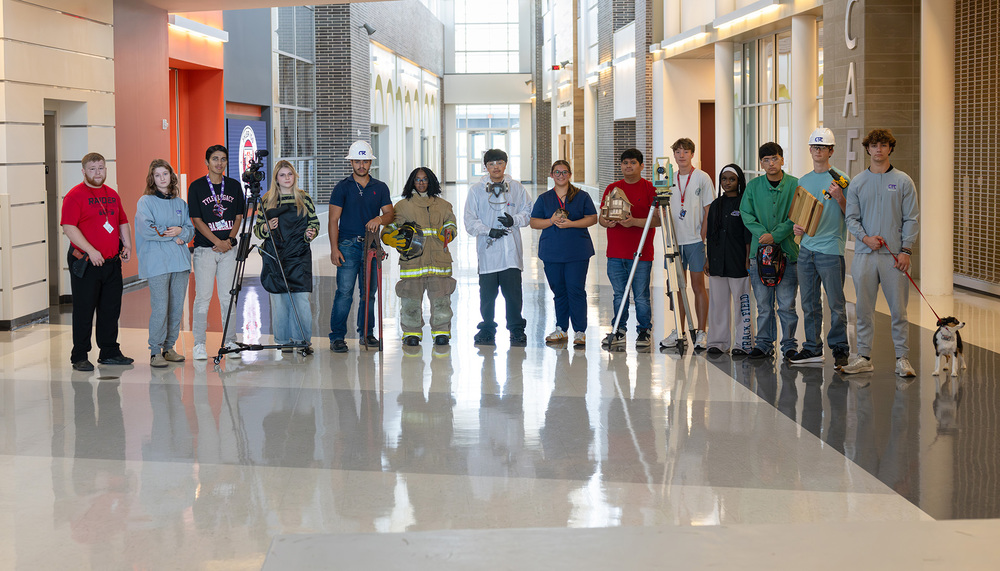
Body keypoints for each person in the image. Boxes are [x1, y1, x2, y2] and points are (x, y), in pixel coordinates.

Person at [840, 128, 920, 377]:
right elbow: (851, 218)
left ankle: (902, 358)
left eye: (883, 145)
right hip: (865, 255)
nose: (878, 150)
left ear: (890, 149)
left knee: (899, 311)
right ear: (867, 149)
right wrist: (865, 238)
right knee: (863, 309)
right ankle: (863, 356)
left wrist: (906, 250)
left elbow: (912, 218)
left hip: (894, 257)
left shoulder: (904, 181)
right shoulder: (858, 182)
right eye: (874, 145)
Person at [60, 152, 135, 371]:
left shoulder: (112, 194)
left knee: (110, 309)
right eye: (92, 169)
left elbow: (122, 221)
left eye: (101, 168)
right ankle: (80, 355)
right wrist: (91, 250)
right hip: (85, 262)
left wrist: (127, 245)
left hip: (111, 263)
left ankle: (109, 351)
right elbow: (68, 227)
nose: (97, 173)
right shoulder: (74, 195)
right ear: (83, 171)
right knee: (84, 309)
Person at [789, 128, 851, 367]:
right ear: (810, 150)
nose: (818, 151)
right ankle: (813, 348)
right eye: (815, 147)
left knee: (836, 303)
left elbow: (853, 215)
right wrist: (798, 228)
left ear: (831, 151)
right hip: (806, 250)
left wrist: (840, 198)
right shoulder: (803, 181)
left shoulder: (841, 180)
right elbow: (802, 216)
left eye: (823, 147)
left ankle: (840, 349)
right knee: (809, 303)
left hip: (830, 250)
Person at [328, 140, 394, 352]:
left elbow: (390, 214)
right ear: (351, 162)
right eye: (357, 160)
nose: (361, 165)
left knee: (369, 293)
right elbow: (332, 220)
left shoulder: (380, 187)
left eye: (365, 161)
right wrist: (334, 249)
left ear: (370, 162)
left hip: (372, 247)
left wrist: (379, 220)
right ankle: (337, 337)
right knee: (344, 292)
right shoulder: (342, 187)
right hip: (347, 246)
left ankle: (367, 333)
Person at [463, 148, 532, 346]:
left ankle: (516, 330)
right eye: (492, 164)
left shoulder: (516, 187)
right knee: (487, 295)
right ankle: (487, 329)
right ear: (486, 167)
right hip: (488, 251)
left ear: (505, 164)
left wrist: (515, 219)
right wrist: (487, 230)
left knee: (513, 295)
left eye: (500, 163)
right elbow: (469, 219)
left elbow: (528, 211)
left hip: (511, 252)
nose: (496, 167)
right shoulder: (476, 190)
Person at [381, 167, 457, 346]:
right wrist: (389, 237)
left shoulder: (444, 205)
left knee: (441, 300)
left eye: (424, 179)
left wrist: (449, 232)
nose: (421, 183)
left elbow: (451, 224)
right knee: (410, 300)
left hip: (439, 261)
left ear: (430, 181)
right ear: (412, 182)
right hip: (412, 262)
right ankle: (411, 333)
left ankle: (441, 332)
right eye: (417, 179)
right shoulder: (402, 206)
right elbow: (389, 227)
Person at [739, 142, 799, 359]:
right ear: (761, 163)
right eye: (766, 160)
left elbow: (797, 215)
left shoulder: (795, 185)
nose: (771, 163)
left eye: (774, 158)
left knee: (787, 304)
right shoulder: (754, 187)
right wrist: (763, 234)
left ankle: (789, 345)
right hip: (759, 254)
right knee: (764, 305)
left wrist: (776, 235)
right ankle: (764, 344)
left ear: (782, 160)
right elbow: (746, 213)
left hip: (788, 254)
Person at [530, 160, 598, 348]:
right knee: (559, 292)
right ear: (552, 175)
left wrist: (571, 224)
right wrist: (551, 220)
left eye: (564, 172)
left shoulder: (582, 196)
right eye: (557, 172)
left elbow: (593, 218)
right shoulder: (544, 199)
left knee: (575, 290)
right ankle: (561, 328)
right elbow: (534, 222)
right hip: (552, 252)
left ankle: (580, 332)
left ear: (570, 174)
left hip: (577, 252)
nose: (561, 175)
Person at [254, 160, 320, 352]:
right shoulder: (266, 200)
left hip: (299, 256)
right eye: (282, 175)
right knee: (280, 302)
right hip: (276, 257)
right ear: (276, 178)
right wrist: (266, 227)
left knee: (301, 300)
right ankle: (284, 341)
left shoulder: (304, 198)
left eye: (289, 174)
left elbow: (314, 223)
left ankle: (301, 341)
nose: (287, 178)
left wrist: (311, 232)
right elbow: (258, 231)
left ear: (295, 176)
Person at [135, 159, 195, 368]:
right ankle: (155, 351)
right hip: (157, 262)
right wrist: (173, 233)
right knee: (160, 307)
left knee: (176, 307)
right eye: (157, 175)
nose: (162, 178)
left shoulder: (180, 204)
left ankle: (169, 348)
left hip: (180, 262)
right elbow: (147, 229)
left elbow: (189, 230)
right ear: (152, 179)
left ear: (171, 176)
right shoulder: (145, 202)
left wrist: (182, 231)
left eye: (165, 174)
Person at [188, 145, 246, 360]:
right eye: (214, 159)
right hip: (205, 249)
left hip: (229, 250)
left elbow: (239, 216)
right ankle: (199, 344)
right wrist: (217, 241)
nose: (219, 163)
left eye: (222, 159)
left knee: (228, 297)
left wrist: (229, 240)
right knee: (202, 298)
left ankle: (230, 340)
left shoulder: (233, 185)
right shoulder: (196, 187)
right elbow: (197, 219)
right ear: (207, 162)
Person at [599, 148, 658, 349]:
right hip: (615, 252)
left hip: (641, 253)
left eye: (633, 163)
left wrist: (633, 221)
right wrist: (607, 222)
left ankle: (644, 330)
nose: (628, 166)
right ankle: (619, 329)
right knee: (619, 294)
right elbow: (601, 217)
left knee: (641, 295)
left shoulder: (650, 188)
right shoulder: (612, 188)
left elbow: (658, 219)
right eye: (625, 163)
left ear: (641, 166)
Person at [659, 138, 714, 350]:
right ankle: (678, 330)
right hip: (674, 242)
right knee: (677, 288)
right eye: (678, 152)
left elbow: (709, 210)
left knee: (698, 286)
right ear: (673, 155)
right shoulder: (668, 179)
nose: (681, 155)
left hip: (694, 241)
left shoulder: (702, 178)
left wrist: (703, 235)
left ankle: (701, 331)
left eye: (686, 151)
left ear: (692, 154)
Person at [704, 164, 753, 355]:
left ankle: (743, 343)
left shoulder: (745, 204)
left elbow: (747, 234)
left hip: (738, 261)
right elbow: (710, 234)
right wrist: (708, 258)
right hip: (717, 263)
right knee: (718, 305)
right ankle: (718, 342)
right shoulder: (716, 204)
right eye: (724, 179)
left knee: (742, 304)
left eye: (732, 179)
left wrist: (748, 258)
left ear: (739, 181)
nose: (727, 183)